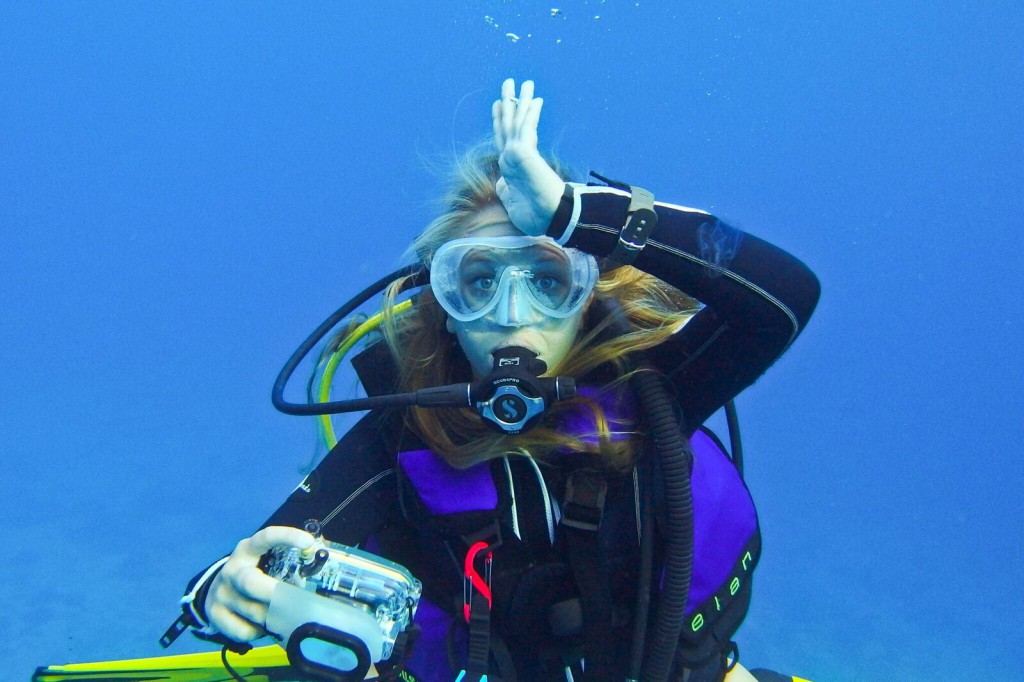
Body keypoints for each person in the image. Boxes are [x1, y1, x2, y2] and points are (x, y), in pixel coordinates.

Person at [168, 79, 820, 682]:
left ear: (585, 295)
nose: (511, 313)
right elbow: (262, 557)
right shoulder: (403, 437)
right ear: (444, 310)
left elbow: (787, 296)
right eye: (479, 282)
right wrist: (219, 589)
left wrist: (581, 214)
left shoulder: (656, 393)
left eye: (546, 277)